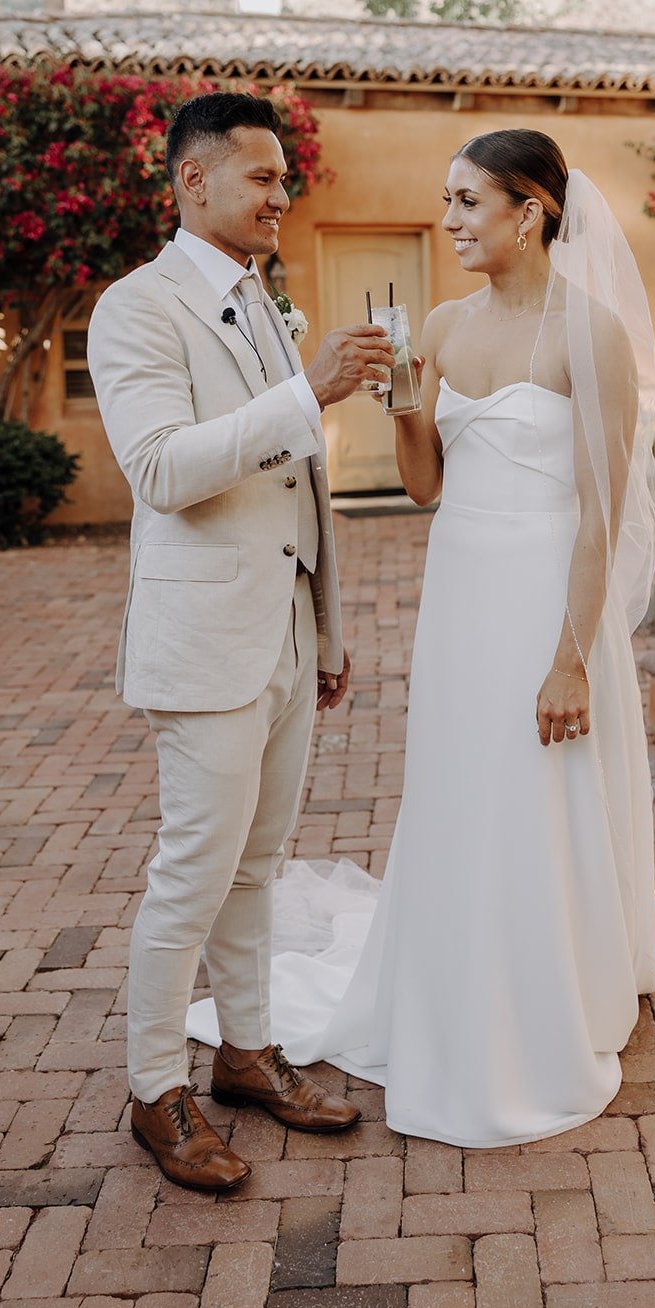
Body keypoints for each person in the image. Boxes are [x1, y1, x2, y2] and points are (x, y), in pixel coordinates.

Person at [188, 127, 655, 1148]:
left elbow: (596, 511)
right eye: (445, 201)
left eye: (465, 202)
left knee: (539, 788)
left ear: (527, 212)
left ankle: (547, 989)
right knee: (461, 787)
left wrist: (570, 654)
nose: (448, 222)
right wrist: (404, 397)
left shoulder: (592, 335)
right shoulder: (439, 325)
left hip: (547, 596)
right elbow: (426, 483)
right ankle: (455, 974)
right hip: (461, 589)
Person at [87, 91, 396, 1189]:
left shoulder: (263, 303)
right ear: (193, 183)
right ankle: (153, 1087)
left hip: (279, 636)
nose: (280, 196)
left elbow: (302, 484)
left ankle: (245, 1057)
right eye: (261, 178)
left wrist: (323, 624)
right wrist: (306, 390)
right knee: (193, 874)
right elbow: (164, 469)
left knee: (258, 867)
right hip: (202, 638)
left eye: (281, 178)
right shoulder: (136, 308)